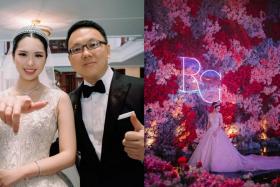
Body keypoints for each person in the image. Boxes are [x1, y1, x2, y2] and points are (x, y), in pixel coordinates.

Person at [0, 20, 144, 187]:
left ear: (108, 50)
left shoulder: (143, 89)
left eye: (93, 44)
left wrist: (149, 149)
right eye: (77, 49)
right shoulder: (71, 99)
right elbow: (46, 147)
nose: (86, 53)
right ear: (70, 58)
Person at [0, 26, 76, 186]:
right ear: (13, 56)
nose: (30, 62)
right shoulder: (1, 99)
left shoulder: (59, 98)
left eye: (38, 55)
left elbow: (69, 155)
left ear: (46, 58)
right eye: (22, 54)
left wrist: (19, 173)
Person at [188, 101, 280, 172]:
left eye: (219, 107)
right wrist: (208, 131)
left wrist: (216, 131)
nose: (219, 109)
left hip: (217, 131)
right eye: (217, 107)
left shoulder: (220, 114)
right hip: (210, 131)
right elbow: (208, 124)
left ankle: (217, 164)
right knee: (206, 148)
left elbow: (221, 124)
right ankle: (206, 164)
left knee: (219, 148)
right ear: (214, 108)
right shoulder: (210, 115)